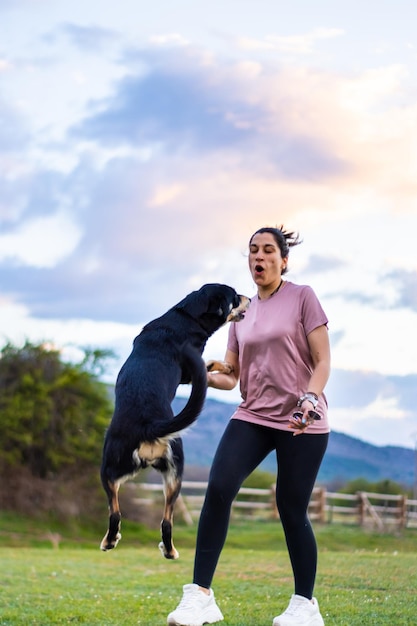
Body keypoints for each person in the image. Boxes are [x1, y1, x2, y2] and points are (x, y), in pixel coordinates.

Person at [167, 226, 331, 626]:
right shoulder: (241, 311)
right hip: (253, 414)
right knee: (219, 489)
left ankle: (305, 605)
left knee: (292, 510)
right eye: (252, 251)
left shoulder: (302, 297)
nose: (258, 258)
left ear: (283, 260)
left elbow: (323, 361)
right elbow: (232, 374)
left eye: (268, 251)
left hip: (300, 419)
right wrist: (203, 371)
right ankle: (200, 596)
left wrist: (310, 397)